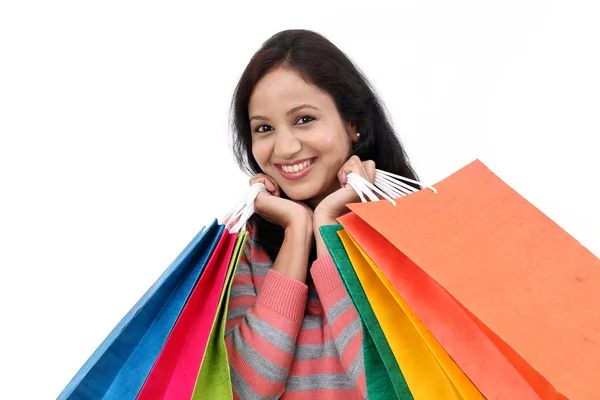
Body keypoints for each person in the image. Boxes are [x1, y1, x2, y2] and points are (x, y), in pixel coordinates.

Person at [224, 29, 419, 399]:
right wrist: (298, 231)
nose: (286, 147)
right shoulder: (244, 250)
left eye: (304, 119)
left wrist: (328, 227)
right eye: (264, 128)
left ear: (353, 123)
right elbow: (245, 391)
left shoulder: (416, 232)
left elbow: (395, 386)